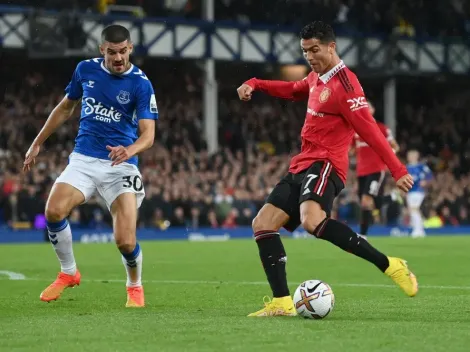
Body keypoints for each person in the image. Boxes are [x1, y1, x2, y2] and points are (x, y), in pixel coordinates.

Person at [236, 21, 417, 317]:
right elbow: (294, 89)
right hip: (303, 162)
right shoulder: (316, 77)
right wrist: (256, 83)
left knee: (311, 220)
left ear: (331, 47)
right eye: (305, 51)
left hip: (327, 163)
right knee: (263, 224)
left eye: (314, 50)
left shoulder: (346, 86)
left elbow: (371, 131)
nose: (309, 56)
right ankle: (282, 302)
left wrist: (397, 171)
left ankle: (390, 265)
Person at [23, 24, 159, 307]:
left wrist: (129, 149)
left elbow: (148, 135)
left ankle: (134, 286)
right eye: (112, 52)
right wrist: (37, 142)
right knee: (53, 210)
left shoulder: (141, 83)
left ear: (130, 48)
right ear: (102, 50)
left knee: (125, 241)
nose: (119, 58)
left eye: (123, 51)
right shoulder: (85, 69)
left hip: (120, 166)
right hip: (84, 158)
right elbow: (65, 107)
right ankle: (69, 272)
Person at [350, 100, 400, 238]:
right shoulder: (355, 130)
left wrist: (387, 156)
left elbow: (395, 147)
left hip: (377, 170)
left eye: (367, 106)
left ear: (372, 110)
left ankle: (362, 235)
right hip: (361, 171)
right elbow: (351, 150)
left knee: (366, 201)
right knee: (369, 204)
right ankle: (391, 197)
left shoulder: (382, 129)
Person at [406, 150, 432, 237]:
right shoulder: (406, 167)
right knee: (412, 210)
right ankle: (418, 229)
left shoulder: (421, 166)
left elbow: (429, 175)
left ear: (416, 157)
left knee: (414, 209)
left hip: (418, 191)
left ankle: (418, 230)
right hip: (410, 191)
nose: (410, 158)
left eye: (412, 156)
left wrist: (426, 182)